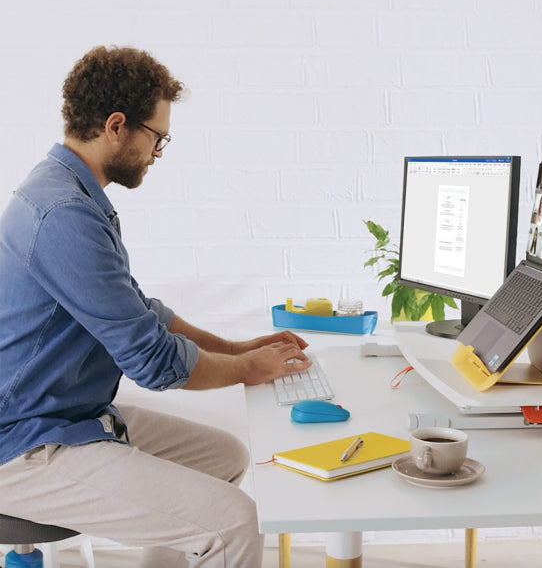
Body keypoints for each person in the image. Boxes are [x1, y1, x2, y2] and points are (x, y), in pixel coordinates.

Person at [0, 46, 312, 567]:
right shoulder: (64, 214)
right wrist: (249, 370)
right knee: (236, 522)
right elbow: (154, 362)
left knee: (225, 456)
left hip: (65, 413)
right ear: (117, 126)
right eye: (157, 136)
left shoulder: (69, 193)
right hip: (25, 443)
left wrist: (238, 348)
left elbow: (143, 312)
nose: (159, 151)